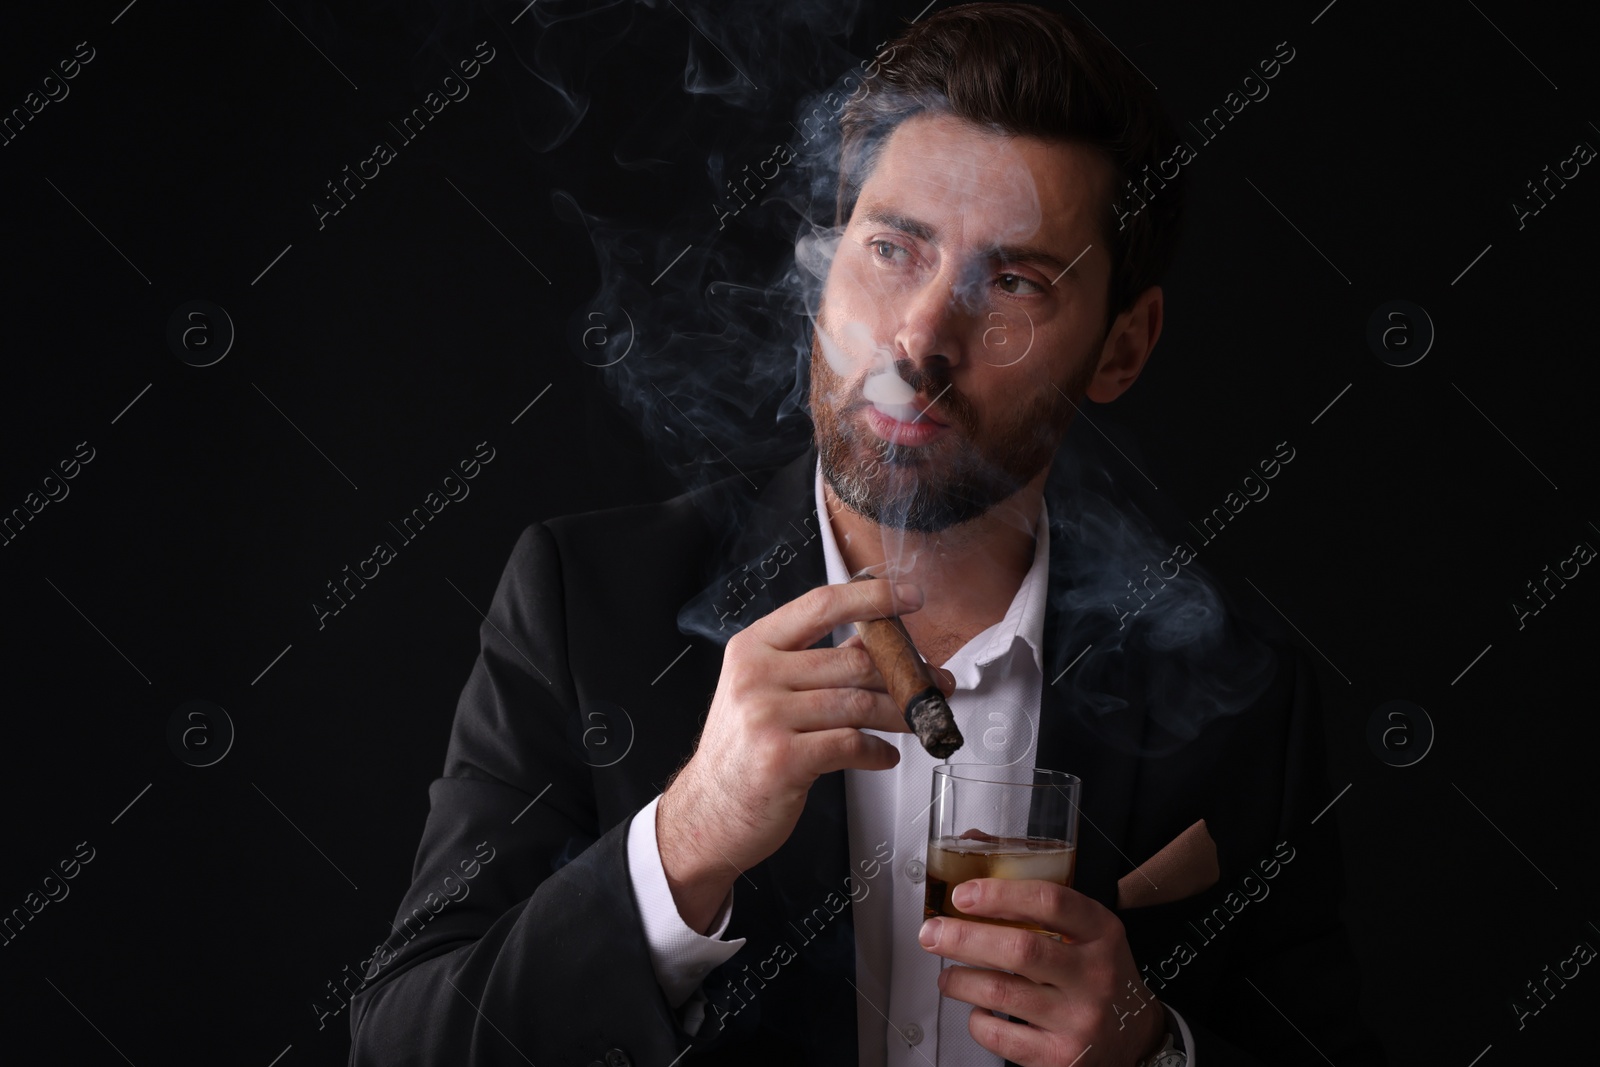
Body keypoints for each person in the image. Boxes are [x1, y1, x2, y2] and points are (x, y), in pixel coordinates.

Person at [348, 4, 1387, 1064]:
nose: (921, 335)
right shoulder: (586, 603)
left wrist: (1152, 1046)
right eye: (893, 247)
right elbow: (404, 1043)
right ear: (824, 263)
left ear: (1122, 346)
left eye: (1015, 282)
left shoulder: (1241, 696)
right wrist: (684, 840)